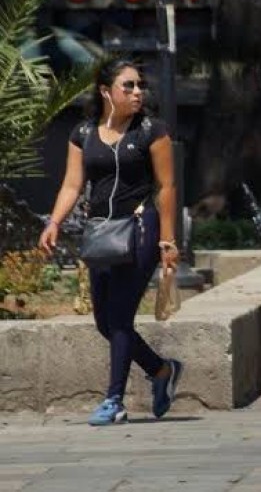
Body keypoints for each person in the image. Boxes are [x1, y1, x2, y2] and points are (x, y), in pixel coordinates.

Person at [39, 56, 184, 426]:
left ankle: (114, 400)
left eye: (140, 86)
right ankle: (161, 370)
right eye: (128, 86)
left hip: (140, 228)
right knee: (105, 322)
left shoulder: (152, 130)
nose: (137, 93)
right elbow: (73, 184)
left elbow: (167, 187)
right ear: (107, 91)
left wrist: (167, 241)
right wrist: (54, 222)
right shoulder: (83, 134)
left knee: (120, 314)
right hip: (100, 232)